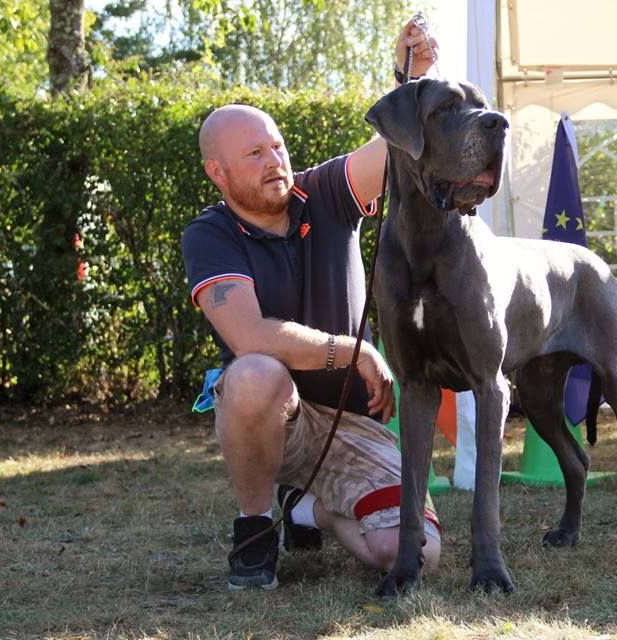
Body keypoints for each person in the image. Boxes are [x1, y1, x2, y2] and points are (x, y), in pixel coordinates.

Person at [181, 16, 441, 591]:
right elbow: (249, 336)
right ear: (217, 172)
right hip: (277, 422)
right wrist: (353, 350)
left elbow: (394, 148)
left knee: (413, 555)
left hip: (354, 420)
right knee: (253, 373)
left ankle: (304, 509)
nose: (274, 160)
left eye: (277, 146)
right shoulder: (209, 234)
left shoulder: (324, 191)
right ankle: (255, 529)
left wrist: (414, 80)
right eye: (254, 153)